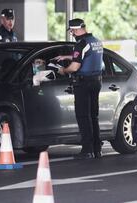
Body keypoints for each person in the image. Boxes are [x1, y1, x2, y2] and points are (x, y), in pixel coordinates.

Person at [54, 18, 103, 160]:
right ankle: (97, 149)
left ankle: (87, 150)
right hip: (96, 82)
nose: (72, 34)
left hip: (84, 83)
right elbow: (87, 55)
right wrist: (66, 56)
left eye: (72, 31)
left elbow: (75, 67)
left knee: (83, 116)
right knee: (93, 116)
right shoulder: (95, 41)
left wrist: (63, 70)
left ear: (75, 30)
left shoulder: (80, 44)